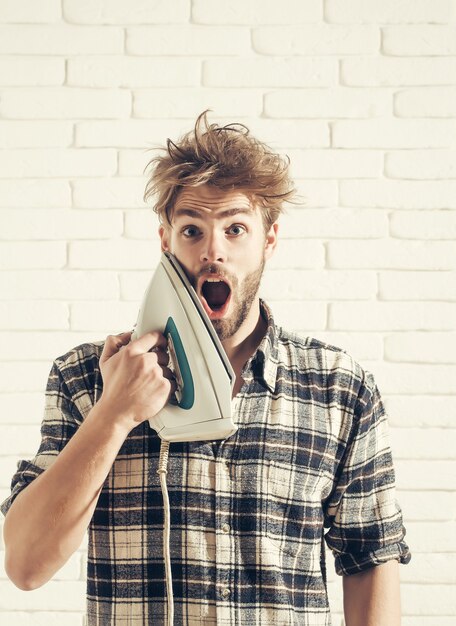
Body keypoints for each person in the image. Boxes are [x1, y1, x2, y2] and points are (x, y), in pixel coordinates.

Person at [2, 111, 410, 626]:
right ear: (165, 242)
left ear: (269, 239)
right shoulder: (84, 377)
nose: (213, 251)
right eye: (192, 230)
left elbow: (370, 559)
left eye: (235, 229)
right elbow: (25, 566)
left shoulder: (338, 388)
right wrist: (114, 414)